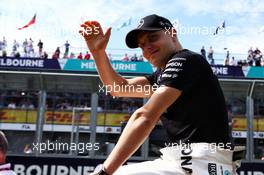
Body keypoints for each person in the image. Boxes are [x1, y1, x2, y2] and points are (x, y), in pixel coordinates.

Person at [80, 14, 243, 175]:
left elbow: (144, 117)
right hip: (186, 162)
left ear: (172, 33)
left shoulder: (185, 60)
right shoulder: (163, 74)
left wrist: (104, 172)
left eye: (153, 37)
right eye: (142, 45)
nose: (147, 47)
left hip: (202, 163)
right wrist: (98, 52)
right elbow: (119, 88)